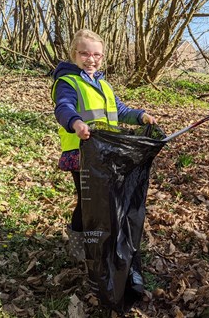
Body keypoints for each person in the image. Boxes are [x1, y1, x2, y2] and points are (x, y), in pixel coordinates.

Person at [51, 29, 156, 261]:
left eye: (97, 55)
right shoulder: (67, 82)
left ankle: (101, 240)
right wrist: (76, 123)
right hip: (82, 154)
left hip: (107, 153)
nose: (91, 59)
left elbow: (121, 111)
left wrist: (140, 116)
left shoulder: (104, 84)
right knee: (87, 202)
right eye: (85, 54)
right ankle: (79, 246)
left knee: (106, 200)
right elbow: (63, 107)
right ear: (74, 54)